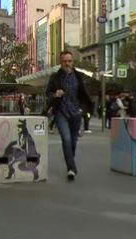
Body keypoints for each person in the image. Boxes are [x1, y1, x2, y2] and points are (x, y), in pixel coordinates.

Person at [46, 51, 91, 181]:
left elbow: (84, 94)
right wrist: (55, 95)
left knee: (73, 141)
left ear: (72, 62)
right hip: (61, 112)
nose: (67, 63)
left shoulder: (78, 76)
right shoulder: (55, 77)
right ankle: (71, 168)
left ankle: (70, 162)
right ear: (61, 62)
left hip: (76, 113)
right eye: (64, 61)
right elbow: (48, 94)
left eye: (69, 61)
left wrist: (82, 109)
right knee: (66, 139)